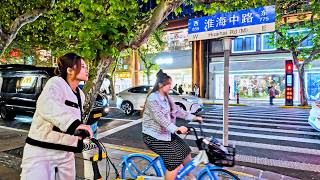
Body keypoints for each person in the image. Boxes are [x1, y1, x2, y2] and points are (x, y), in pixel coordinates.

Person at [20, 53, 93, 180]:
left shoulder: (80, 94)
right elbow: (47, 105)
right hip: (41, 151)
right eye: (82, 66)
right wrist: (75, 125)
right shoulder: (55, 82)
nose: (86, 70)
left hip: (66, 152)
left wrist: (80, 135)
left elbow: (73, 123)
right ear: (70, 70)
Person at [142, 69, 203, 180]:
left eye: (171, 84)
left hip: (166, 135)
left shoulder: (167, 97)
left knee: (185, 151)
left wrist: (194, 117)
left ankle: (189, 176)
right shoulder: (152, 98)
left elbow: (178, 111)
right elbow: (160, 118)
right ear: (161, 84)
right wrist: (176, 129)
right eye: (168, 84)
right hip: (153, 137)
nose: (171, 86)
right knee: (174, 162)